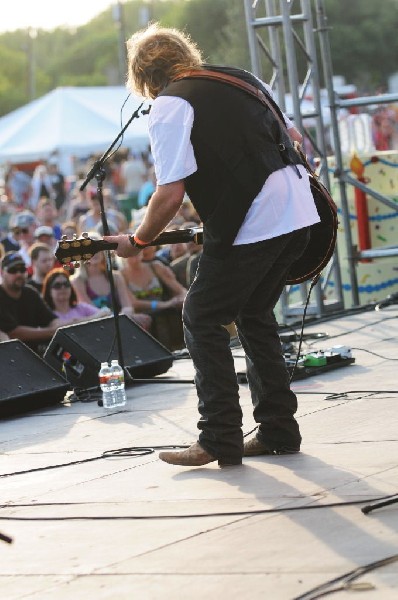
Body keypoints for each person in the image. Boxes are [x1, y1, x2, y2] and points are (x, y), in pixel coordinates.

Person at [105, 24, 320, 467]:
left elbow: (169, 193)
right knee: (254, 314)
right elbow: (297, 140)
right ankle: (278, 430)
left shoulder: (170, 105)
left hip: (256, 222)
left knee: (201, 317)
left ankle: (218, 436)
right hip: (300, 215)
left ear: (144, 77)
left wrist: (139, 240)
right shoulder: (241, 77)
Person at [120, 244, 187, 350]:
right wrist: (164, 304)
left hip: (165, 315)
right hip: (144, 319)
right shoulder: (120, 275)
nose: (135, 257)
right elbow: (134, 303)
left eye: (137, 253)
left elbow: (179, 289)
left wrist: (183, 298)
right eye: (130, 255)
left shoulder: (155, 266)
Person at [70, 245, 151, 330]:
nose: (94, 254)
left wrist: (126, 316)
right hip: (95, 327)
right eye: (89, 251)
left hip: (120, 323)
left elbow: (127, 306)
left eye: (97, 250)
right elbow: (92, 312)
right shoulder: (77, 281)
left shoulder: (115, 276)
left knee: (144, 319)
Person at [0, 252, 60, 353]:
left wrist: (57, 328)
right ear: (2, 272)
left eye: (22, 269)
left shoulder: (30, 292)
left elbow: (52, 319)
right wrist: (51, 332)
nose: (19, 274)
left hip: (34, 353)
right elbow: (13, 333)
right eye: (13, 270)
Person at [42, 268, 109, 323]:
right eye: (57, 285)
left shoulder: (81, 307)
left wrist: (78, 321)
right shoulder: (47, 314)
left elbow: (105, 312)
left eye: (66, 284)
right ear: (49, 290)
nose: (63, 288)